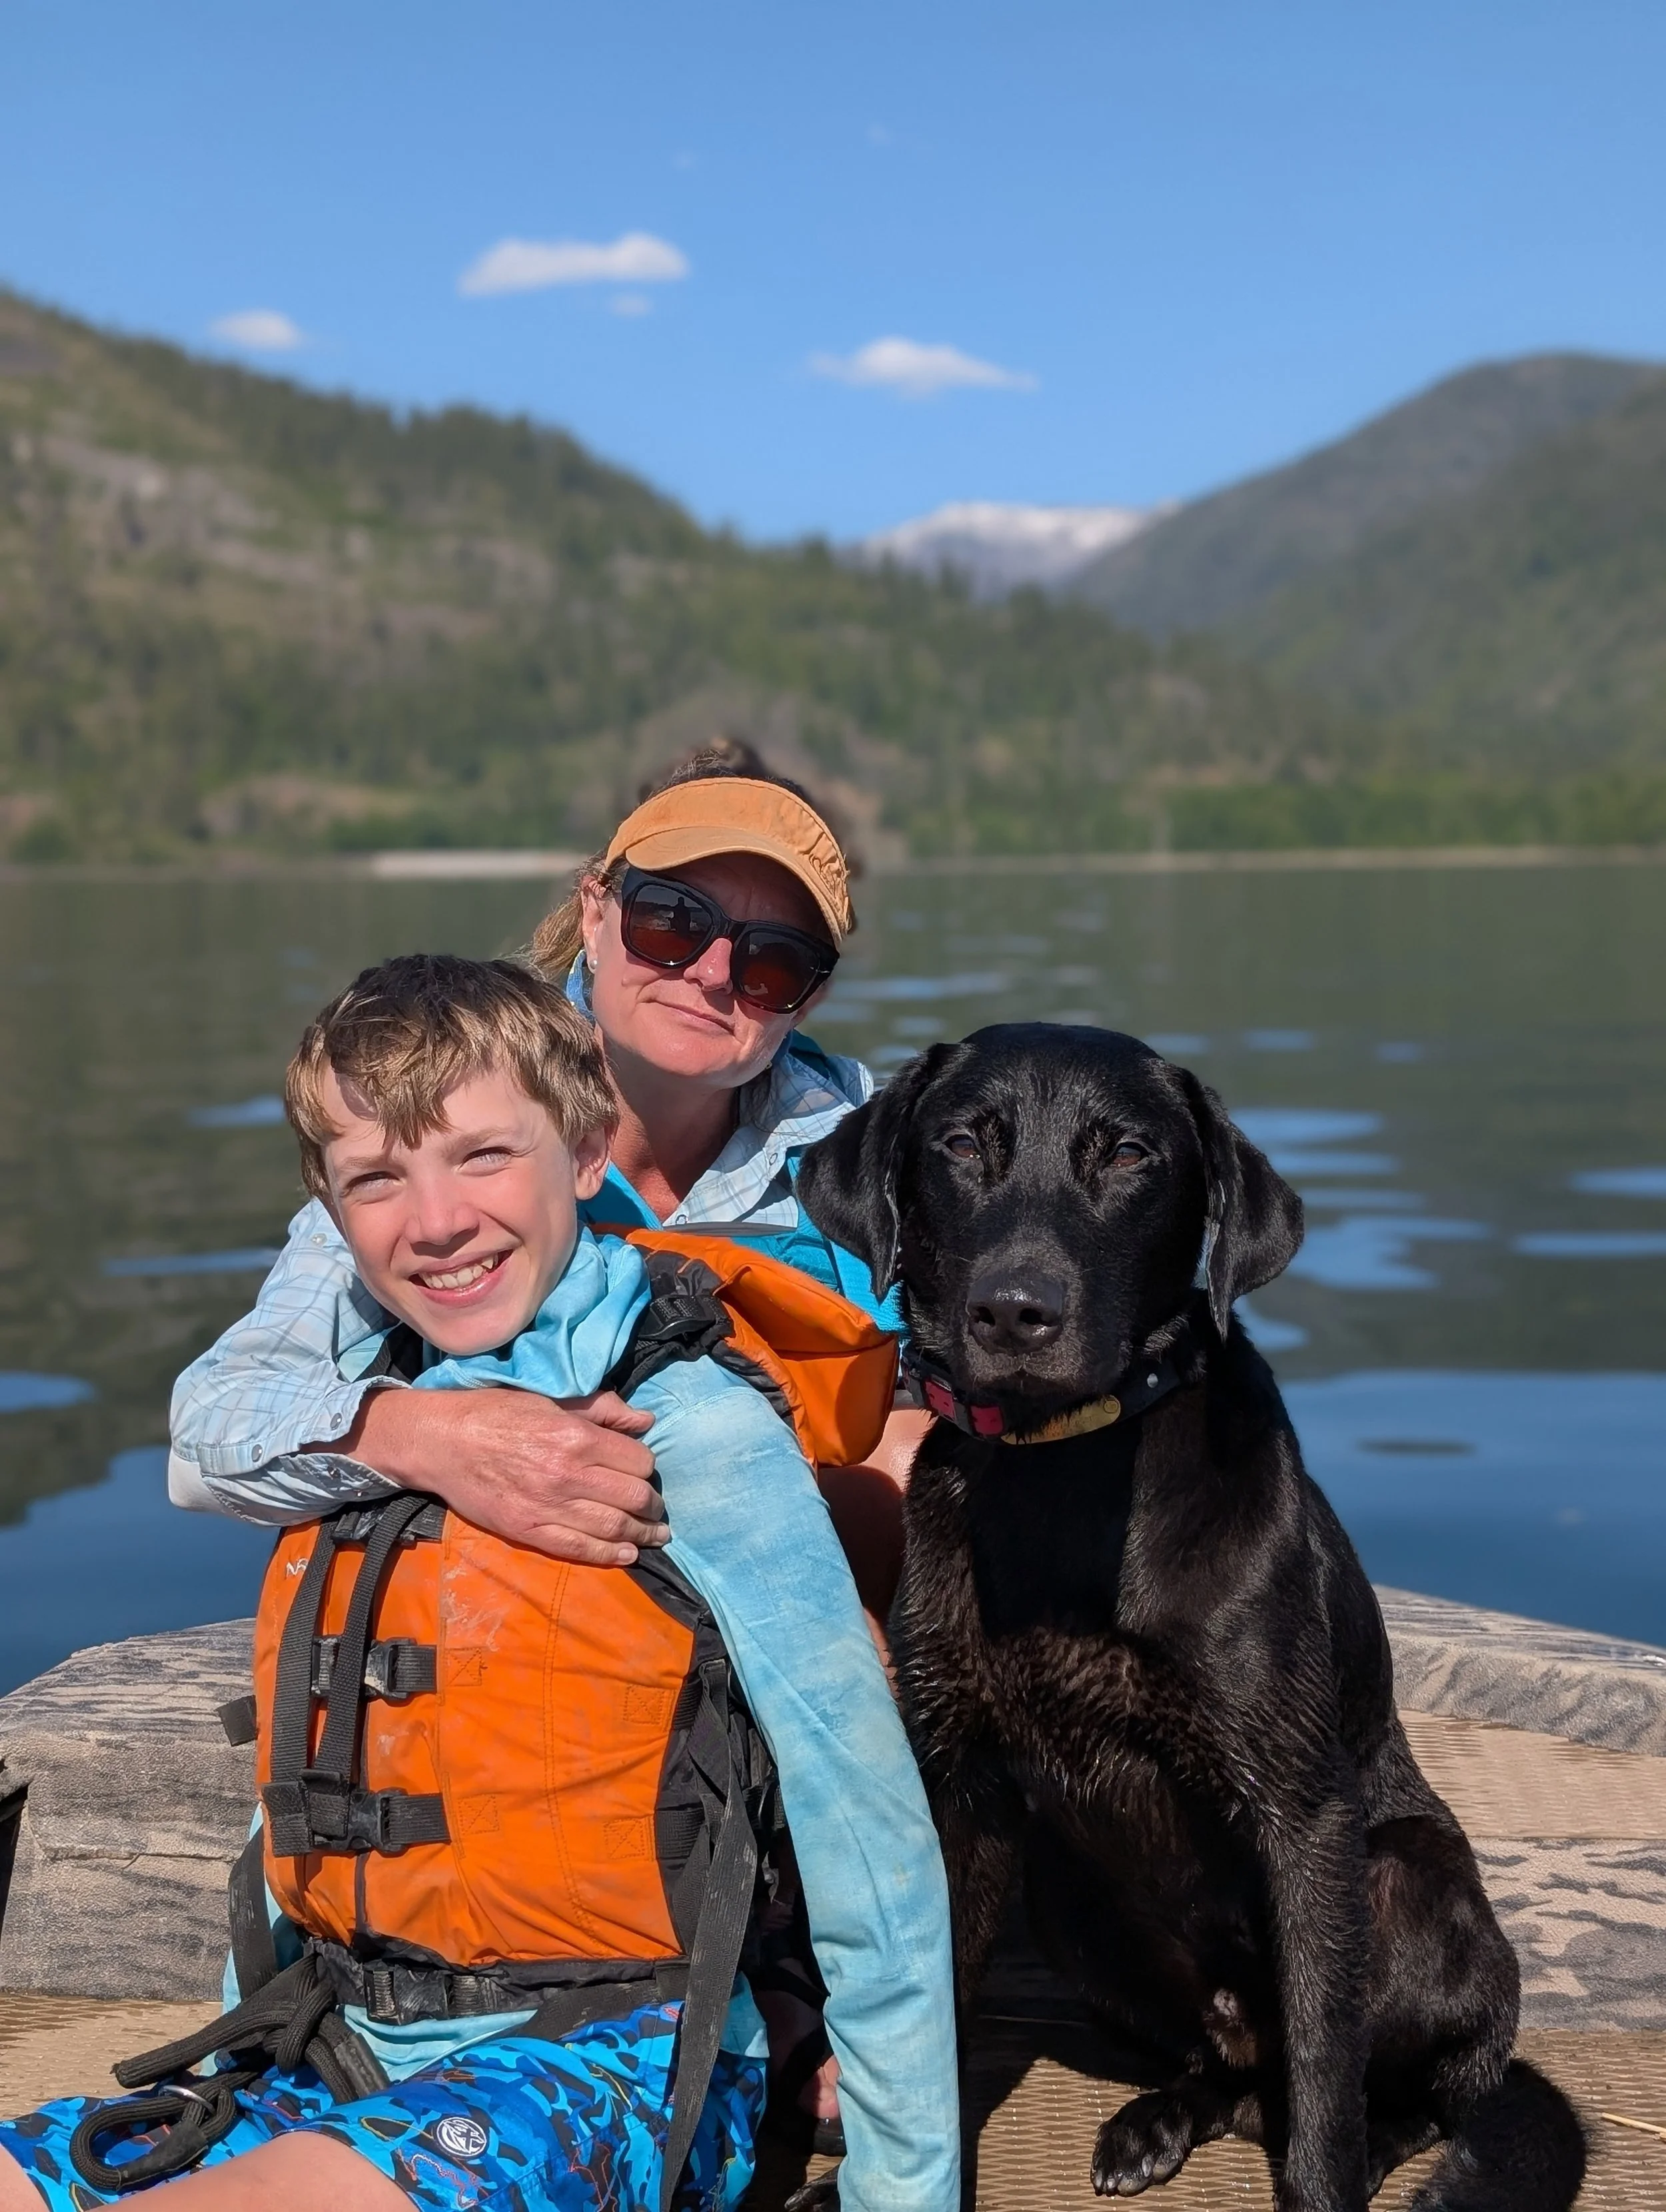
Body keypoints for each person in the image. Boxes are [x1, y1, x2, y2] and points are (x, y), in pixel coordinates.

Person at [0, 955, 957, 2212]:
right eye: (376, 1180)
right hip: (339, 2044)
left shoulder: (693, 1437)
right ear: (329, 1213)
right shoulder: (364, 1427)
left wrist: (907, 2192)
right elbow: (331, 1767)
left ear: (583, 1151)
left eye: (483, 1158)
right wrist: (240, 2052)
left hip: (612, 2066)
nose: (437, 1222)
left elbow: (871, 1849)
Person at [168, 746, 926, 2145]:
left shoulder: (863, 1153)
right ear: (593, 908)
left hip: (767, 1648)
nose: (710, 975)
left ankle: (791, 2001)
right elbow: (209, 1428)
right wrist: (430, 1431)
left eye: (772, 961)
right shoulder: (444, 1107)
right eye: (670, 921)